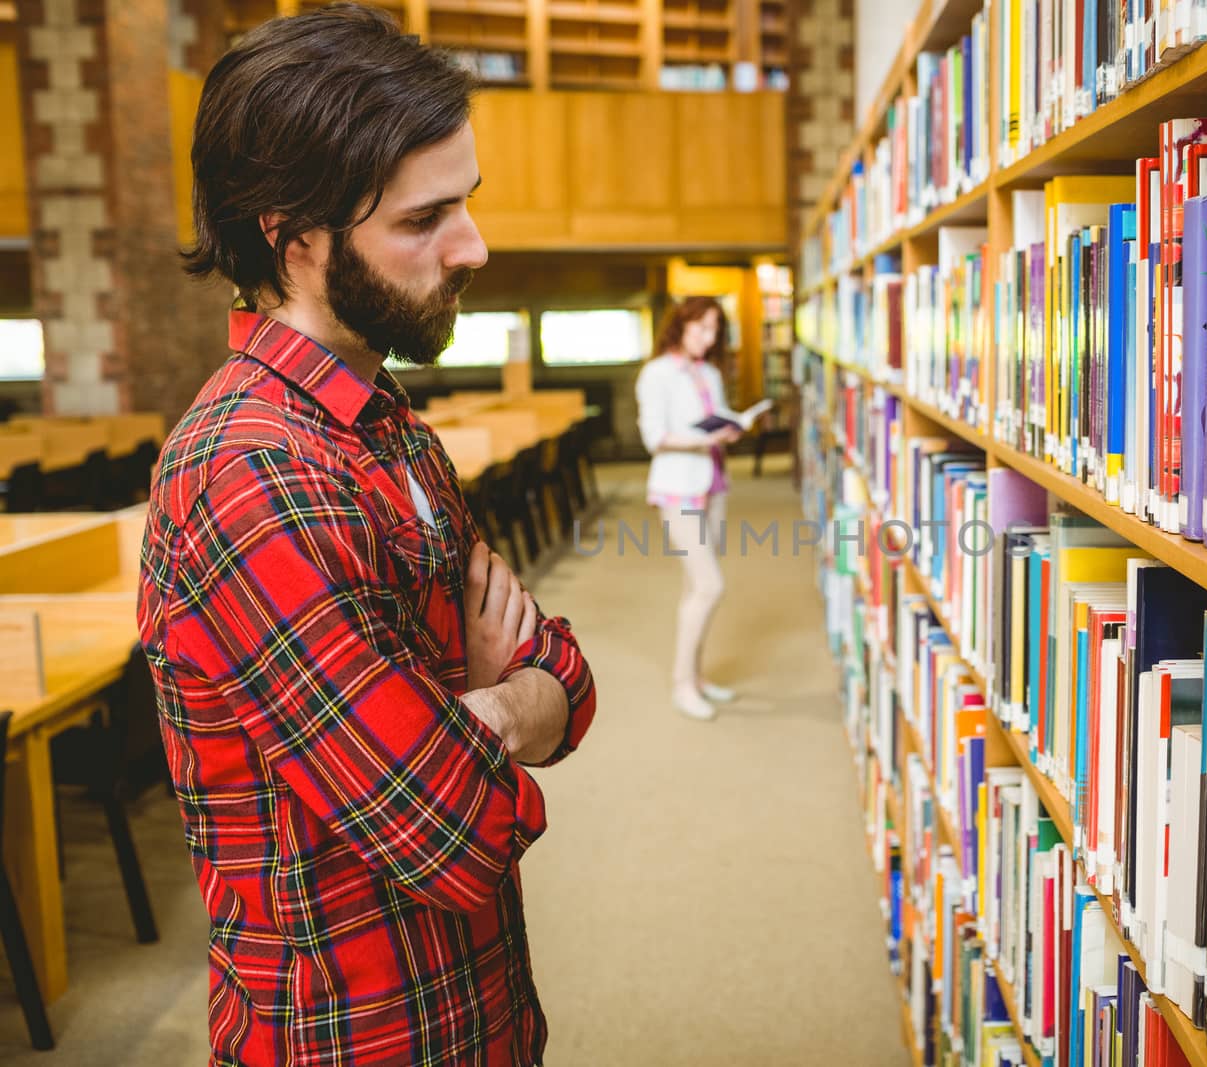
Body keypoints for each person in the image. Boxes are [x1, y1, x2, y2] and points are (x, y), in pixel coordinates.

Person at [134, 7, 596, 1064]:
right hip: (352, 1035)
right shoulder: (250, 474)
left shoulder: (386, 428)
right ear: (292, 235)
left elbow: (563, 676)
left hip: (476, 1013)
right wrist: (512, 699)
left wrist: (500, 703)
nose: (474, 245)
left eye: (465, 204)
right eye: (424, 219)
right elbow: (449, 835)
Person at [634, 296, 748, 721]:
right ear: (679, 327)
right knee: (709, 585)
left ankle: (697, 677)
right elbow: (654, 436)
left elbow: (713, 418)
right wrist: (704, 440)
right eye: (701, 328)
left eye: (715, 329)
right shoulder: (657, 373)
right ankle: (682, 683)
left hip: (713, 484)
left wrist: (731, 427)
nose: (709, 337)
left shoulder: (710, 373)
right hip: (677, 488)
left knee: (693, 586)